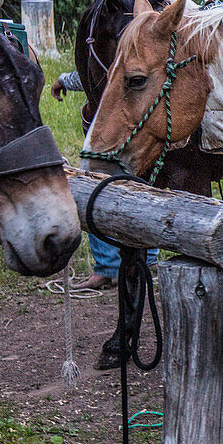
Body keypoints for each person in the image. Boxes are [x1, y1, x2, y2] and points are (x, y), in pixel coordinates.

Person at [53, 71, 157, 290]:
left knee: (94, 185)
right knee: (137, 185)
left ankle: (109, 269)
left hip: (119, 127)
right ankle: (145, 260)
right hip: (144, 122)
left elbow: (100, 72)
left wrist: (64, 79)